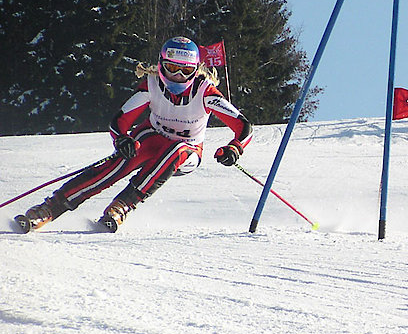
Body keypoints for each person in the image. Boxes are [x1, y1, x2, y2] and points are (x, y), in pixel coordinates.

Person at [16, 36, 253, 233]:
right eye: (172, 68)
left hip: (187, 149)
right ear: (161, 65)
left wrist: (234, 148)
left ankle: (124, 205)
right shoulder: (151, 84)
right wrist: (122, 138)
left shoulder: (204, 90)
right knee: (117, 165)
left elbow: (243, 126)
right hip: (152, 137)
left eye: (185, 71)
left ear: (195, 70)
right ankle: (49, 208)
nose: (178, 77)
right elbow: (120, 120)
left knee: (177, 150)